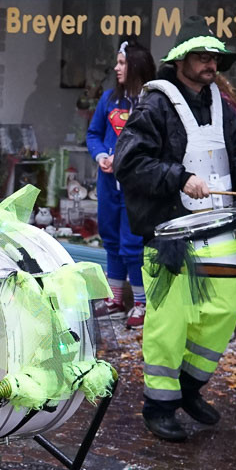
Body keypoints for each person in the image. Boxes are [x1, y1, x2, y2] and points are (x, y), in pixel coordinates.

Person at [113, 16, 236, 442]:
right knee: (170, 322)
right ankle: (159, 406)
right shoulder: (155, 104)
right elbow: (128, 163)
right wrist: (177, 177)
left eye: (214, 57)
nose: (209, 64)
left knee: (224, 310)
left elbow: (227, 157)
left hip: (218, 228)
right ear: (180, 60)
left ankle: (189, 387)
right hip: (169, 233)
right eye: (201, 56)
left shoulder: (223, 104)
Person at [86, 38, 156, 329]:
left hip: (136, 186)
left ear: (137, 65)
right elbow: (93, 134)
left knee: (132, 244)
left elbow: (155, 143)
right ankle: (115, 299)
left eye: (122, 62)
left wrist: (126, 161)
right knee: (111, 239)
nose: (116, 67)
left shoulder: (154, 100)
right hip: (107, 183)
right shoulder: (108, 100)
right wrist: (101, 155)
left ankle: (140, 303)